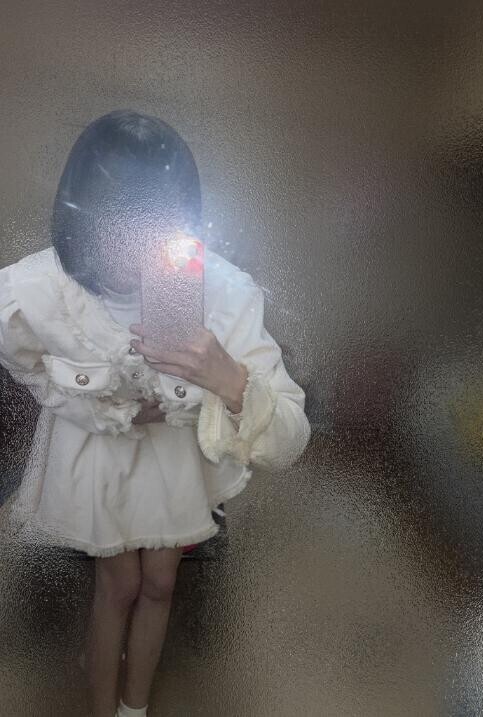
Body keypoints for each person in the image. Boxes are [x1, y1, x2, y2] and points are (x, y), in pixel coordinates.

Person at [0, 111, 310, 717]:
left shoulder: (223, 292)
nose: (131, 247)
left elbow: (290, 439)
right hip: (101, 458)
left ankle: (133, 707)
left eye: (152, 224)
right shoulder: (35, 290)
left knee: (161, 583)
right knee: (119, 584)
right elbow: (25, 364)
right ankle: (103, 704)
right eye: (114, 224)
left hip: (174, 461)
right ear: (81, 216)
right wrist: (103, 410)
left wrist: (226, 376)